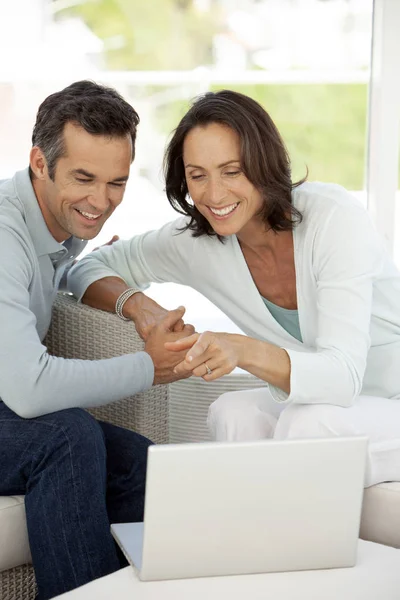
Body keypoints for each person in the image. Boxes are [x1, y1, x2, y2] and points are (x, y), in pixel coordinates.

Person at [68, 89, 400, 491]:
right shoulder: (197, 242)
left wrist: (241, 348)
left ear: (264, 164)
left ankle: (284, 546)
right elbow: (88, 268)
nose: (214, 194)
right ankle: (244, 543)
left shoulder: (333, 220)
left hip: (388, 402)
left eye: (232, 171)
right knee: (232, 411)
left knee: (309, 422)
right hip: (331, 406)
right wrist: (142, 309)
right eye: (197, 175)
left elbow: (343, 377)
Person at [0, 80, 194, 600]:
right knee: (67, 437)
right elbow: (30, 390)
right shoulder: (3, 234)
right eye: (84, 178)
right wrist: (149, 366)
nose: (100, 201)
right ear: (40, 162)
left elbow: (69, 268)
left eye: (117, 183)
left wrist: (135, 303)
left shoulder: (54, 215)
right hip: (10, 399)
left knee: (146, 466)